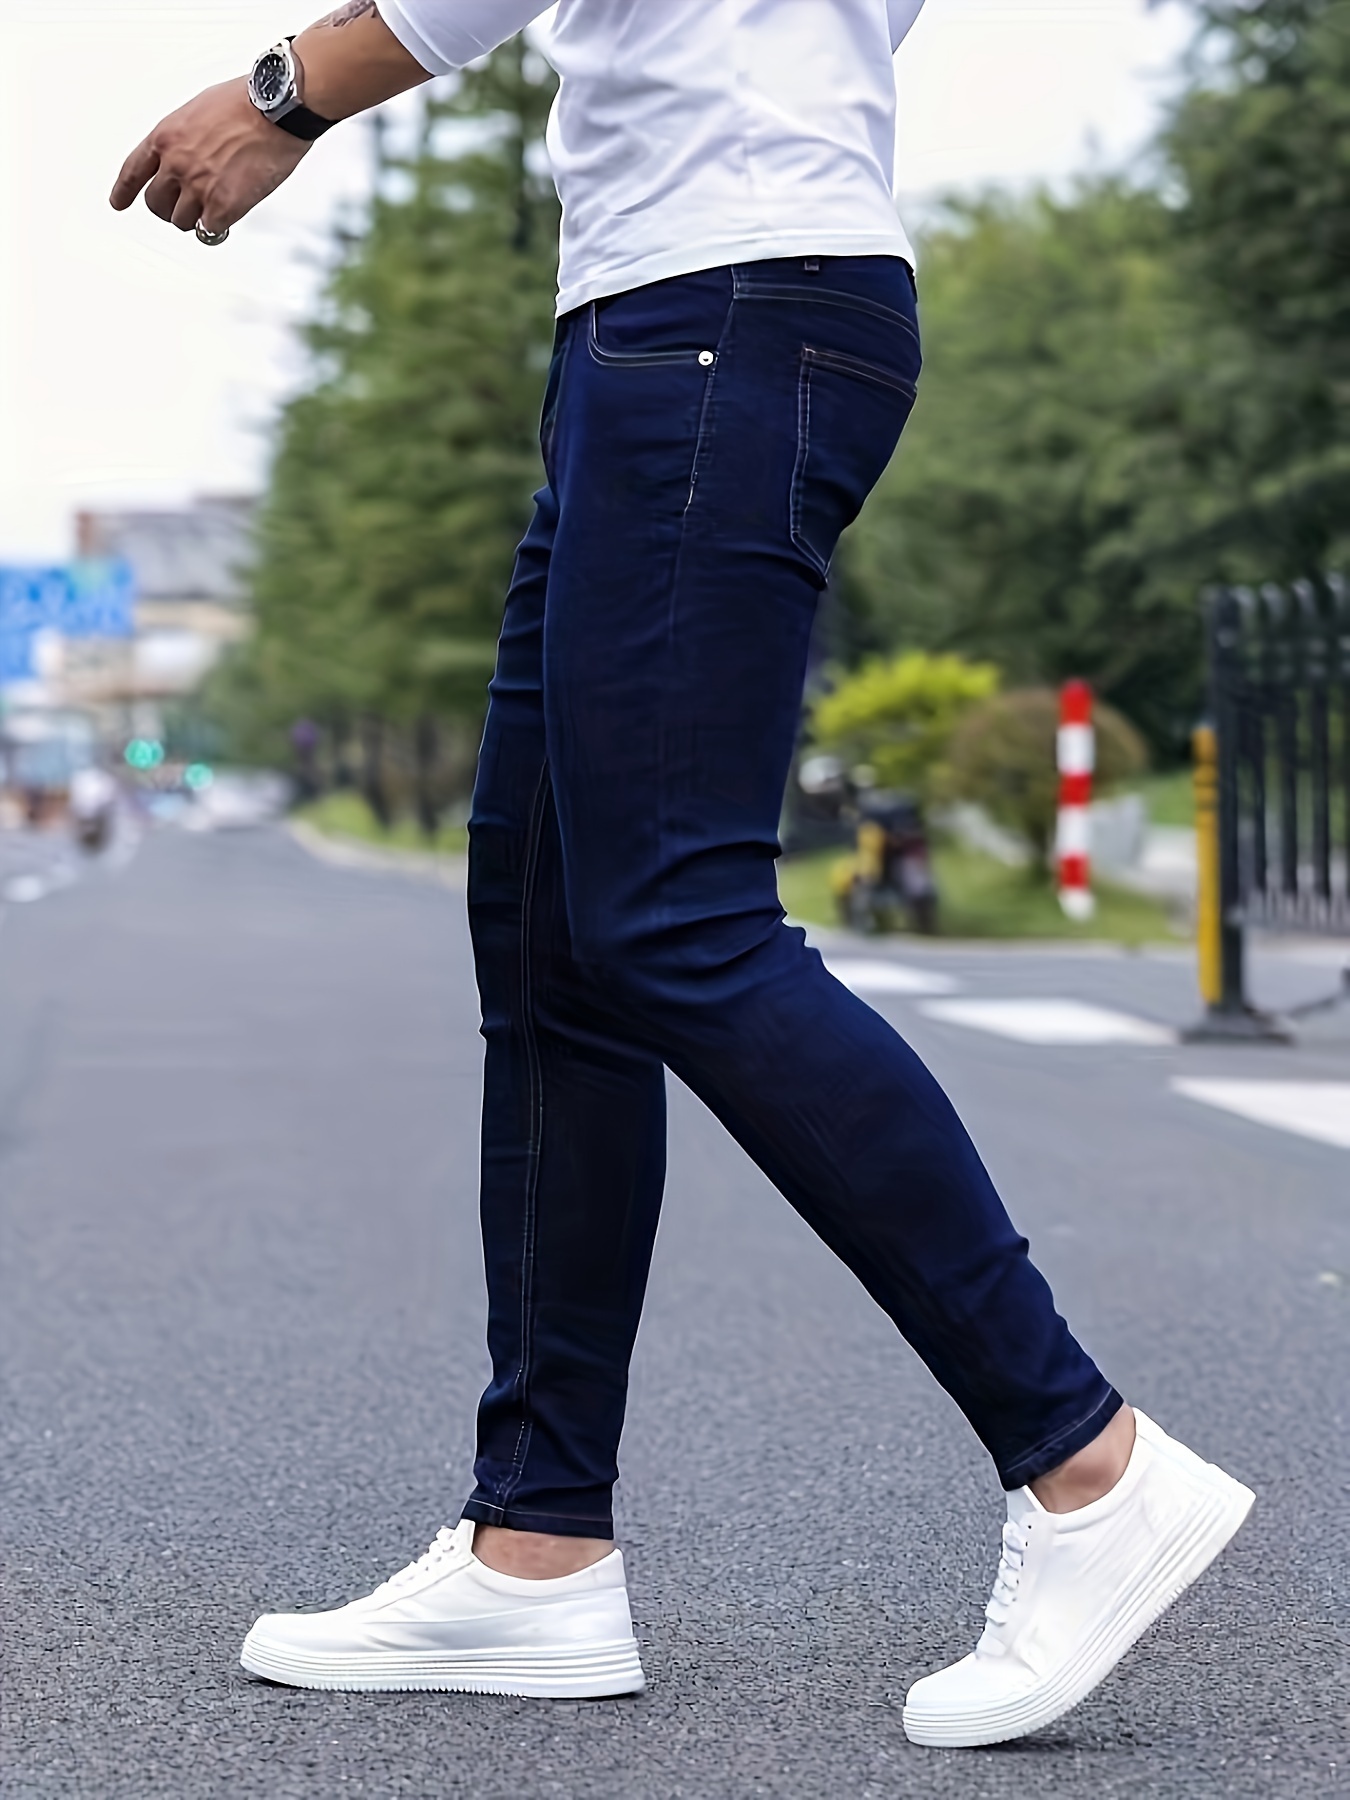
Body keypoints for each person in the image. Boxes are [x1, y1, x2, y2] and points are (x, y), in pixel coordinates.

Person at [111, 0, 1253, 1747]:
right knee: (554, 934)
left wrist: (289, 92)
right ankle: (535, 1549)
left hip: (721, 306)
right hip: (678, 318)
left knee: (671, 917)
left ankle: (1085, 1460)